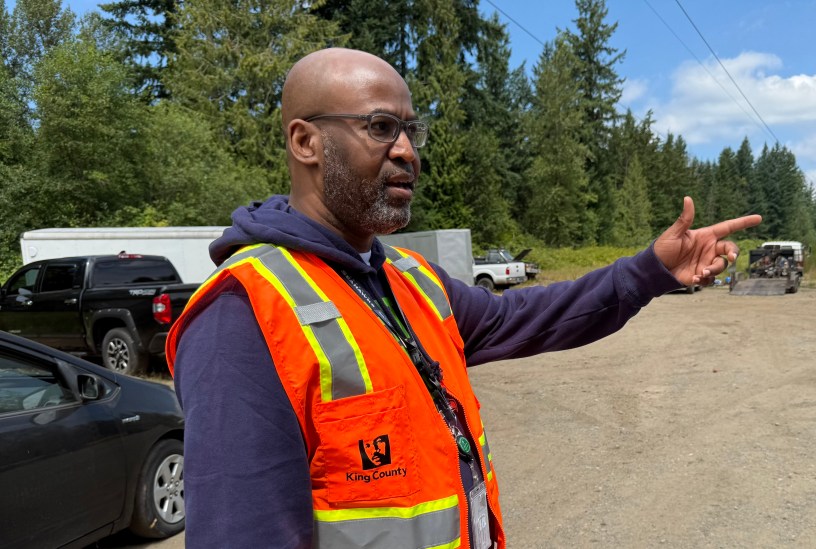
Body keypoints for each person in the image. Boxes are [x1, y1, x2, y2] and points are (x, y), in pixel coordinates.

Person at [166, 47, 761, 549]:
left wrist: (649, 271)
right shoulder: (243, 314)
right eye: (380, 127)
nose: (407, 151)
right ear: (306, 141)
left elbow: (527, 317)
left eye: (410, 130)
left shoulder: (405, 275)